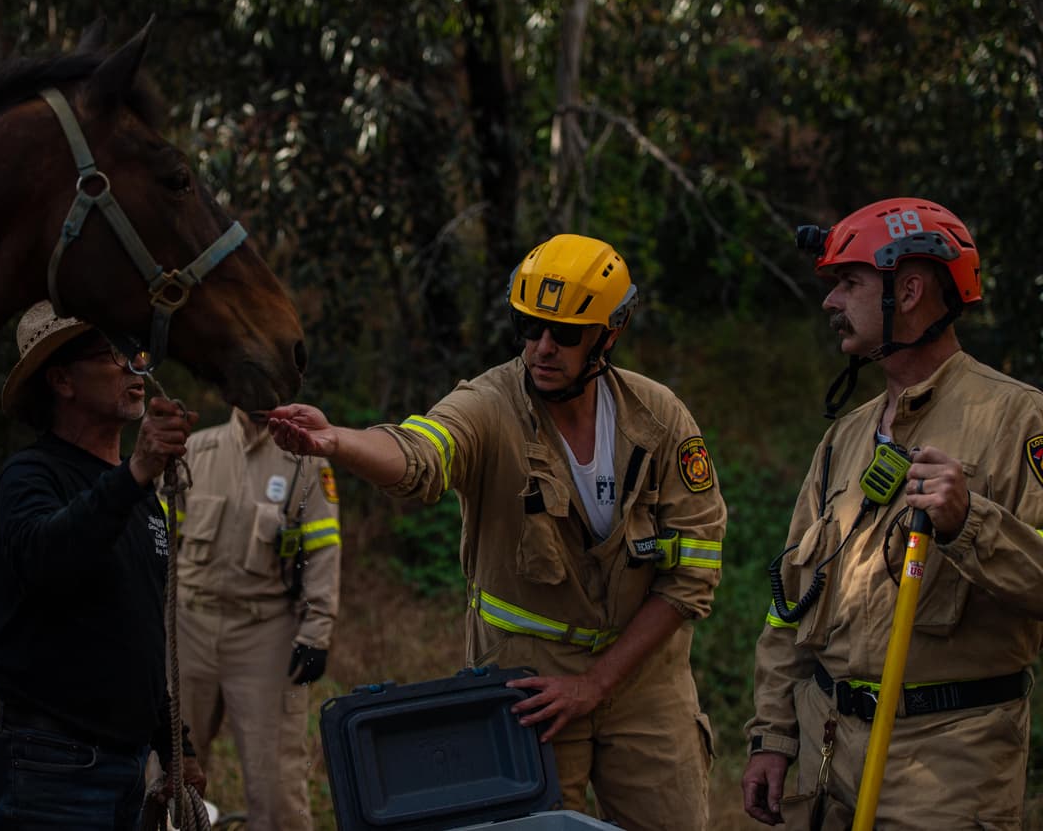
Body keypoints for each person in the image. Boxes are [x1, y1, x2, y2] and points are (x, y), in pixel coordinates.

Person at [268, 234, 725, 828]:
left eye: (563, 334)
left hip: (644, 683)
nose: (541, 347)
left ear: (609, 334)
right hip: (526, 688)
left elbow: (692, 574)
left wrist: (597, 682)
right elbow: (418, 455)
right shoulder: (487, 405)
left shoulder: (660, 418)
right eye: (528, 326)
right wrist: (338, 441)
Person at [742, 197, 1043, 829]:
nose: (830, 302)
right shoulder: (844, 438)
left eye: (848, 283)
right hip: (830, 758)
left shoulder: (1019, 420)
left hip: (948, 770)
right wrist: (772, 736)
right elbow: (790, 600)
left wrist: (971, 524)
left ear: (908, 290)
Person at [0, 300, 207, 831]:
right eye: (112, 354)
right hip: (47, 764)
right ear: (62, 381)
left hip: (124, 767)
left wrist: (176, 746)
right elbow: (48, 561)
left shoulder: (140, 495)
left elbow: (143, 632)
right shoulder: (29, 476)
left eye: (135, 352)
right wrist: (137, 470)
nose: (134, 366)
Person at [171, 407, 342, 831]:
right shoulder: (193, 450)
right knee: (168, 774)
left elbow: (323, 548)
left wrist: (317, 630)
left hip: (265, 633)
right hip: (189, 628)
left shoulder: (306, 460)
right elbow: (158, 539)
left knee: (277, 785)